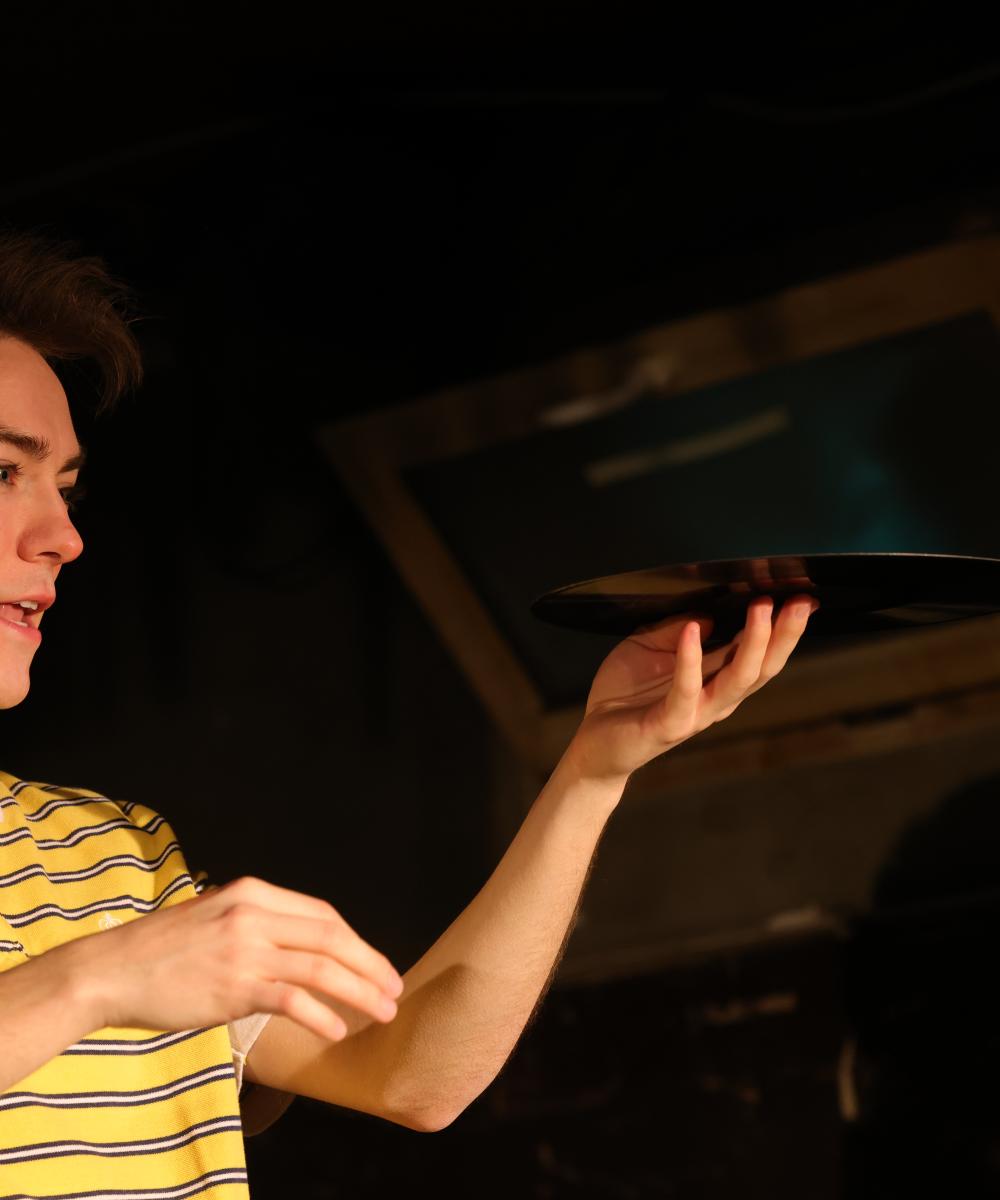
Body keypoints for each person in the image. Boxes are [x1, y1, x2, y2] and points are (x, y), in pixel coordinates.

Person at [0, 230, 817, 1197]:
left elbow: (412, 1075)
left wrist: (594, 769)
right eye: (4, 473)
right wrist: (91, 980)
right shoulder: (118, 955)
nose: (63, 535)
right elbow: (105, 977)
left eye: (66, 487)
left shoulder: (113, 856)